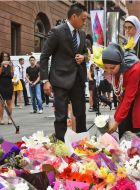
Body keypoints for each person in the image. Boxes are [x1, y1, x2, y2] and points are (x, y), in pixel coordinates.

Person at [40, 3, 88, 141]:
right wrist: (45, 80)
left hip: (78, 80)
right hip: (60, 80)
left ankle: (82, 142)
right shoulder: (57, 31)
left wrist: (83, 57)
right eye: (83, 19)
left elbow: (86, 52)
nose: (84, 22)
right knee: (61, 116)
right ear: (74, 16)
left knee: (80, 114)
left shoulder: (82, 34)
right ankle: (61, 144)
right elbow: (44, 56)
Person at [102, 43, 140, 139]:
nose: (109, 71)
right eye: (106, 68)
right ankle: (125, 146)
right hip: (135, 91)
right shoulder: (116, 66)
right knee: (123, 121)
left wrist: (116, 121)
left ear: (120, 63)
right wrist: (116, 118)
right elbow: (121, 95)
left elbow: (128, 98)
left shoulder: (133, 68)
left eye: (112, 68)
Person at [0, 51, 14, 125]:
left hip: (9, 84)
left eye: (7, 56)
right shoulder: (0, 65)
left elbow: (12, 75)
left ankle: (10, 118)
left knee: (9, 103)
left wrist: (11, 66)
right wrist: (2, 66)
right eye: (4, 56)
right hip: (1, 84)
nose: (5, 58)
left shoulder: (11, 64)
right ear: (1, 57)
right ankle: (1, 119)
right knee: (1, 103)